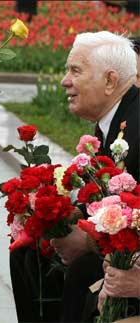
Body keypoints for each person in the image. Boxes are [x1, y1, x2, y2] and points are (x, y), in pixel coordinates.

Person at [9, 31, 139, 323]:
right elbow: (103, 197)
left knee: (83, 271)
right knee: (29, 249)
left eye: (75, 71)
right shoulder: (115, 118)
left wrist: (90, 241)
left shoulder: (136, 124)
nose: (64, 80)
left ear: (110, 80)